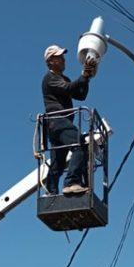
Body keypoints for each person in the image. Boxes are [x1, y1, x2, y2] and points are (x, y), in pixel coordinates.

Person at [42, 44, 97, 196]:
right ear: (51, 61)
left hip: (59, 124)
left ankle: (51, 192)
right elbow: (69, 89)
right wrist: (84, 75)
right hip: (57, 120)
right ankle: (72, 182)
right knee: (80, 145)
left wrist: (86, 78)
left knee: (58, 163)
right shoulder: (50, 78)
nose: (63, 59)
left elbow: (80, 95)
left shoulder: (62, 78)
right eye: (59, 57)